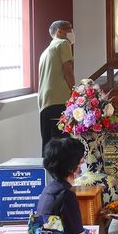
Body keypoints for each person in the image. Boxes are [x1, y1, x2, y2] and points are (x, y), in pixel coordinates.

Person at [37, 20, 75, 151]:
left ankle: (47, 165)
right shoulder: (63, 43)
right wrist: (74, 91)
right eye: (69, 29)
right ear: (59, 32)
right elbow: (67, 70)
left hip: (45, 103)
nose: (72, 32)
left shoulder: (45, 52)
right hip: (59, 99)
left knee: (48, 144)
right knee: (62, 144)